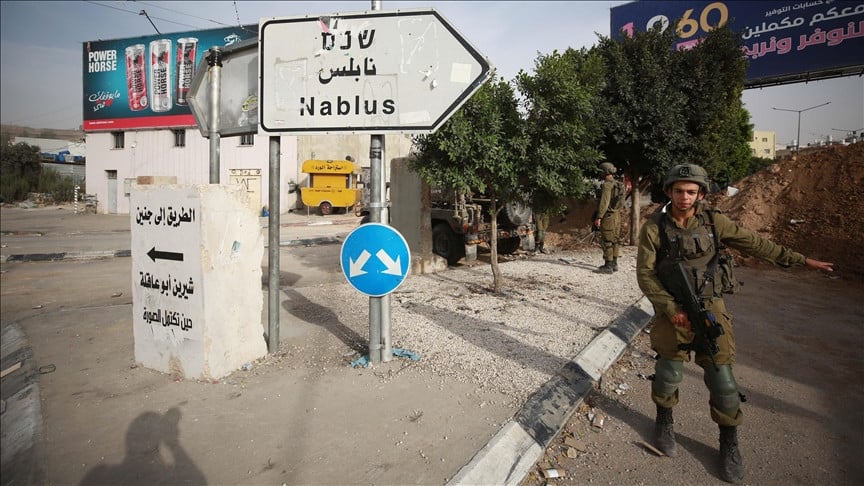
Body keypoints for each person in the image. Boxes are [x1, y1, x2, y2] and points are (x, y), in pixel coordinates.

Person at [636, 163, 833, 484]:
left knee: (724, 381)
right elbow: (645, 273)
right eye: (678, 191)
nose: (684, 197)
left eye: (690, 191)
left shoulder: (715, 222)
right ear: (669, 192)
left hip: (711, 309)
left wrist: (801, 260)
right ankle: (664, 422)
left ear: (700, 193)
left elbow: (755, 244)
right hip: (674, 314)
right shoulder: (654, 227)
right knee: (668, 373)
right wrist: (671, 309)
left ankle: (729, 443)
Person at [594, 162, 626, 273]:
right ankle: (614, 264)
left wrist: (599, 217)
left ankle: (608, 266)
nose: (600, 173)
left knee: (606, 241)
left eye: (601, 171)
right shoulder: (618, 184)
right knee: (615, 240)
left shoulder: (607, 185)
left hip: (608, 216)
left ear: (605, 172)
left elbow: (604, 202)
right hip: (616, 215)